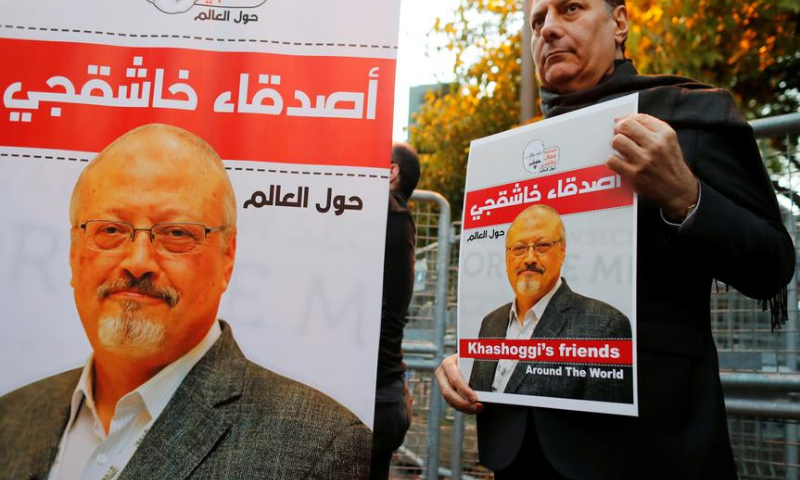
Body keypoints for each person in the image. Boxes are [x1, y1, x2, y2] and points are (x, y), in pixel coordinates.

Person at [435, 0, 795, 479]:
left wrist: (686, 197)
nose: (549, 31)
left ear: (619, 22)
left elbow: (771, 264)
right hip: (521, 453)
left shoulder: (686, 120)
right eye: (537, 21)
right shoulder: (514, 154)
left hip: (645, 451)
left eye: (570, 9)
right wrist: (470, 359)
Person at [0, 124, 371, 480]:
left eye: (176, 233)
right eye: (110, 230)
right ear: (73, 253)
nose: (138, 262)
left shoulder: (319, 449)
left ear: (228, 257)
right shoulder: (12, 416)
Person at [468, 205, 632, 403]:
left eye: (542, 246)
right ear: (507, 258)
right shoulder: (490, 323)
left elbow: (606, 426)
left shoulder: (604, 326)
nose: (529, 259)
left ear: (562, 251)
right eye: (519, 248)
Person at [370, 142, 421, 480]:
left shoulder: (390, 213)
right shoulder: (396, 221)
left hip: (375, 399)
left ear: (390, 171)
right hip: (385, 394)